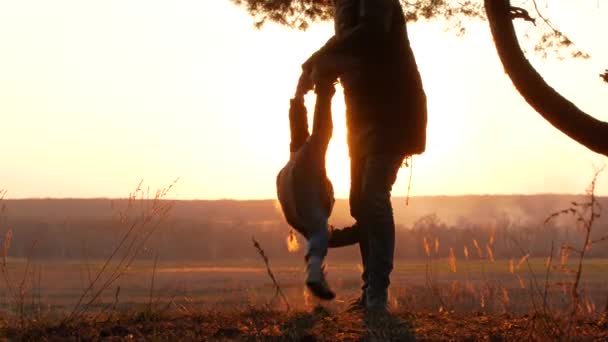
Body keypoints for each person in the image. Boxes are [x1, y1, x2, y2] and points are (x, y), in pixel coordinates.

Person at [299, 0, 428, 312]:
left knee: (373, 197)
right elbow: (349, 48)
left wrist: (317, 61)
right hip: (360, 117)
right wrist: (317, 70)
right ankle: (369, 288)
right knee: (361, 203)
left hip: (394, 114)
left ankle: (377, 296)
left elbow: (370, 34)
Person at [276, 76, 358, 300]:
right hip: (294, 185)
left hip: (288, 185)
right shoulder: (314, 225)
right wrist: (320, 93)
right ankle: (313, 272)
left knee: (319, 136)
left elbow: (326, 239)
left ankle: (314, 270)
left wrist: (299, 98)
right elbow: (302, 133)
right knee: (321, 134)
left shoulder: (314, 229)